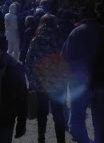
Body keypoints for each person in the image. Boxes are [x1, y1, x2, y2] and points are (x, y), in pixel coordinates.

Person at [61, 6, 104, 143]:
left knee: (77, 120)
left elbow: (65, 57)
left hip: (80, 82)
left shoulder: (76, 32)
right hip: (102, 81)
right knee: (100, 122)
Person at [25, 14, 68, 143]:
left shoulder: (36, 40)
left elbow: (28, 62)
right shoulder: (60, 39)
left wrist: (32, 81)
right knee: (58, 115)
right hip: (57, 84)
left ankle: (41, 138)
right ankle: (61, 140)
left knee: (42, 114)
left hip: (40, 84)